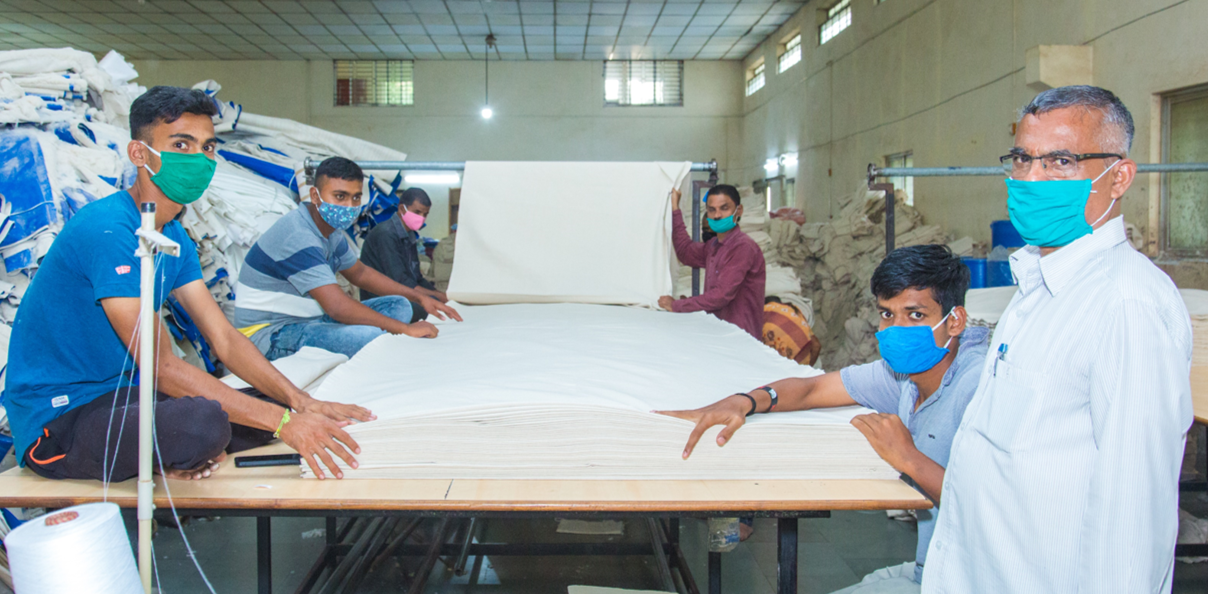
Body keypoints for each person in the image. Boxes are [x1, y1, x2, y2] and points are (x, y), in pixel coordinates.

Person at [3, 86, 372, 483]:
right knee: (204, 423)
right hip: (62, 417)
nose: (198, 158)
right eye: (181, 144)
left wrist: (301, 404)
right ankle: (177, 450)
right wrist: (286, 424)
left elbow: (225, 339)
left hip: (126, 396)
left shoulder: (173, 237)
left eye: (208, 147)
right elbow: (160, 366)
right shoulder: (108, 229)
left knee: (259, 404)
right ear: (140, 154)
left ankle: (175, 452)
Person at [922, 86, 1192, 593]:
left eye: (1061, 161)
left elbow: (1133, 515)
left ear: (1119, 177)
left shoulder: (1125, 304)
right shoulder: (1038, 283)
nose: (1032, 178)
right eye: (1023, 158)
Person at [660, 245, 988, 592]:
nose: (896, 328)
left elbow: (991, 506)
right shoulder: (905, 377)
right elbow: (812, 390)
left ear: (954, 320)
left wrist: (908, 457)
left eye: (915, 315)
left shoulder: (981, 389)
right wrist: (744, 401)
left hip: (972, 579)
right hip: (931, 565)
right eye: (887, 314)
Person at [234, 158, 462, 360]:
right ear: (315, 195)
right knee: (370, 336)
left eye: (355, 198)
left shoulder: (330, 231)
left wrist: (420, 298)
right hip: (270, 333)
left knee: (400, 305)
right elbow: (337, 308)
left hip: (309, 320)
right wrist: (404, 329)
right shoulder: (299, 235)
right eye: (340, 196)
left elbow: (360, 273)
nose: (349, 206)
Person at [659, 185, 766, 340]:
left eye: (724, 208)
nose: (717, 215)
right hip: (719, 334)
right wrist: (675, 209)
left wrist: (677, 305)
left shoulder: (743, 247)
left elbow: (720, 295)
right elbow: (685, 252)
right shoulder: (714, 246)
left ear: (739, 210)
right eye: (711, 210)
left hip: (740, 338)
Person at [359, 187, 446, 321]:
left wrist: (441, 295)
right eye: (417, 212)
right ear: (401, 209)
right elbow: (400, 281)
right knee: (429, 308)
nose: (421, 218)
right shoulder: (385, 234)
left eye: (425, 214)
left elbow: (416, 278)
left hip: (402, 294)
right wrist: (436, 297)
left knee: (437, 303)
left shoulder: (409, 235)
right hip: (381, 301)